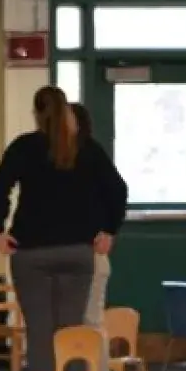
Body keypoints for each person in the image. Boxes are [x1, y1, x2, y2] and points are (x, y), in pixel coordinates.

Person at [0, 86, 129, 371]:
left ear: (37, 114)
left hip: (31, 253)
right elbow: (118, 189)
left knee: (40, 333)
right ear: (66, 111)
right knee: (71, 333)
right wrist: (108, 230)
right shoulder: (85, 149)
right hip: (77, 253)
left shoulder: (24, 147)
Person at [70, 102, 128, 327]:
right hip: (69, 252)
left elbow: (118, 189)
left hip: (90, 248)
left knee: (91, 320)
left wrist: (109, 230)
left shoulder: (90, 152)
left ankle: (96, 364)